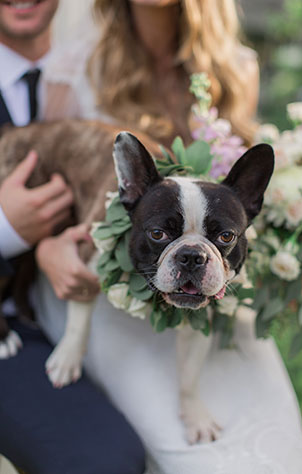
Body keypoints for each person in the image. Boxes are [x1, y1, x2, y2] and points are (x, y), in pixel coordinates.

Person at [28, 0, 302, 473]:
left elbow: (240, 199)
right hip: (103, 287)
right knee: (191, 455)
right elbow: (48, 176)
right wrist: (46, 248)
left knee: (269, 448)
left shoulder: (236, 65)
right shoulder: (74, 64)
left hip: (214, 301)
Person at [0, 2, 146, 473]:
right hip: (11, 329)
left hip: (99, 302)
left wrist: (46, 245)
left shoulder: (103, 69)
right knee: (100, 459)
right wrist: (5, 229)